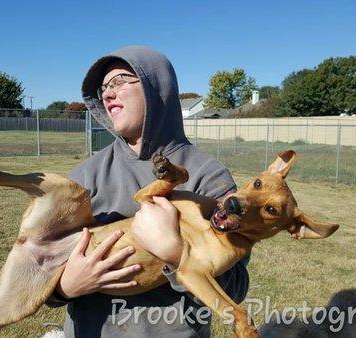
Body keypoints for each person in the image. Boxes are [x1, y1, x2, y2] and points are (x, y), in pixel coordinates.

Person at [47, 45, 249, 337]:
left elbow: (238, 288)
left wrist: (176, 253)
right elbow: (40, 264)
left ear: (157, 88)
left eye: (119, 81)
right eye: (104, 87)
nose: (107, 93)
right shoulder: (84, 176)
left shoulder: (208, 175)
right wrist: (66, 288)